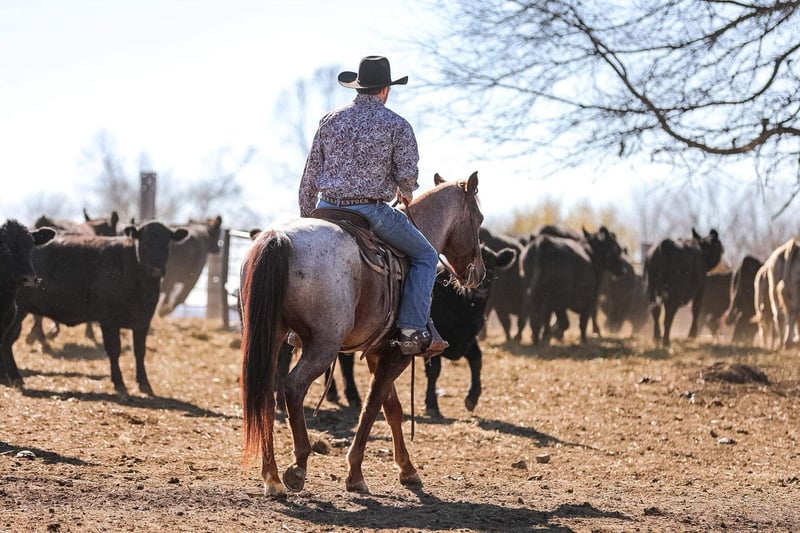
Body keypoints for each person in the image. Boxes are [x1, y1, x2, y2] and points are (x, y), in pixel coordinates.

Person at [298, 55, 447, 357]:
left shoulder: (329, 120)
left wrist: (306, 220)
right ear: (385, 90)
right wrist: (406, 192)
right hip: (371, 211)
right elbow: (407, 176)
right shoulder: (397, 125)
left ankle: (294, 327)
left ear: (358, 87)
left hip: (325, 210)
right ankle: (411, 330)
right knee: (426, 256)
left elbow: (309, 177)